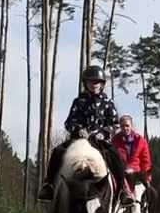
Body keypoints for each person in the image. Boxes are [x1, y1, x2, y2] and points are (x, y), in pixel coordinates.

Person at [38, 65, 125, 203]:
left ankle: (122, 191)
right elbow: (69, 123)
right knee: (57, 151)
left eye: (98, 82)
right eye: (91, 81)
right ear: (86, 83)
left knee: (116, 157)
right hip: (79, 140)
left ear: (102, 84)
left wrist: (103, 132)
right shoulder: (78, 101)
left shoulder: (108, 103)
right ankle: (48, 186)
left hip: (100, 141)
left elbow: (115, 124)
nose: (94, 84)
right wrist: (78, 130)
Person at [112, 115, 159, 213]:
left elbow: (146, 160)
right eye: (122, 126)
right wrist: (122, 169)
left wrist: (147, 177)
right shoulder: (115, 140)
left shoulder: (140, 140)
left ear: (131, 126)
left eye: (127, 126)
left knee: (153, 194)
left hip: (138, 172)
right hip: (121, 173)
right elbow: (113, 158)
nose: (125, 128)